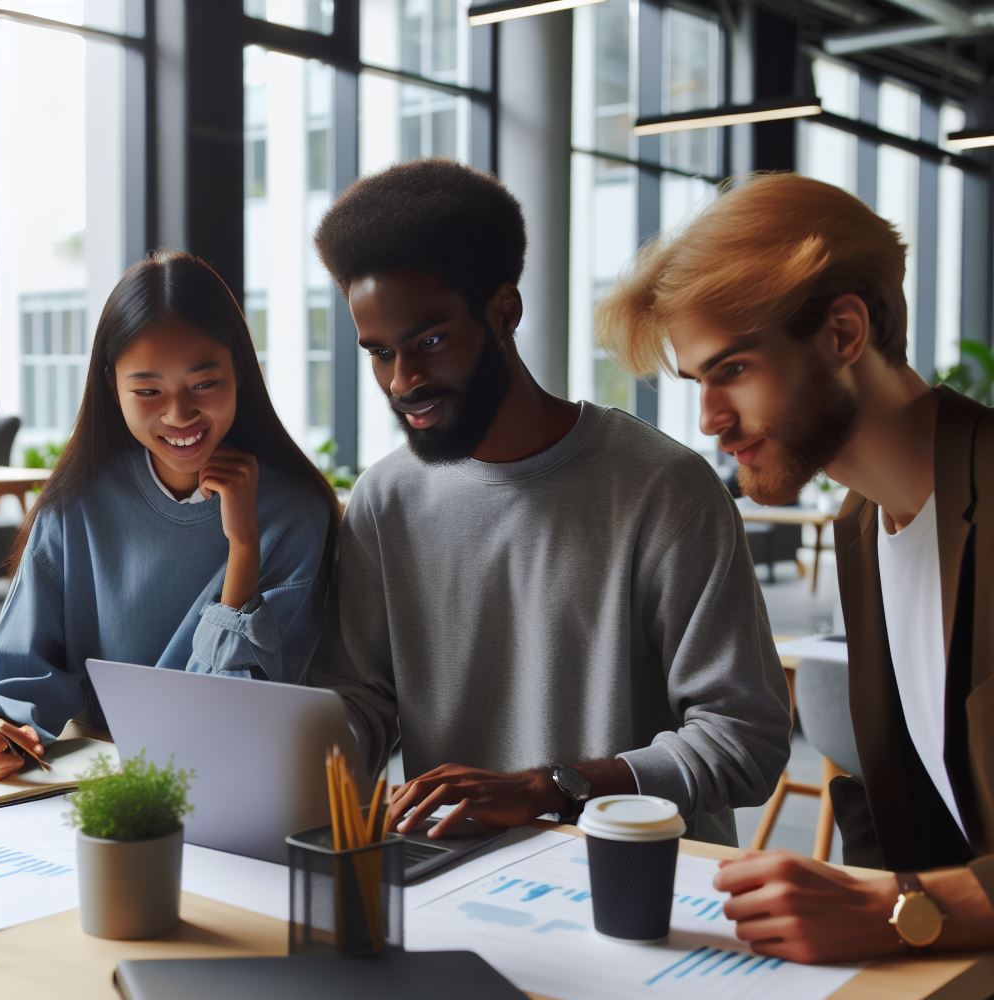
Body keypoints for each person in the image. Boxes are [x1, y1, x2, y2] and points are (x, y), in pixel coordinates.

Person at [310, 158, 790, 846]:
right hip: (455, 882)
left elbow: (746, 743)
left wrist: (551, 788)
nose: (403, 380)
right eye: (380, 353)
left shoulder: (664, 488)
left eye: (431, 341)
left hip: (648, 886)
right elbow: (360, 705)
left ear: (505, 311)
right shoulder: (386, 500)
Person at [597, 172, 994, 965]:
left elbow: (907, 895)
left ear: (845, 332)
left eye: (733, 370)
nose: (709, 420)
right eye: (697, 382)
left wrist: (901, 909)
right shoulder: (863, 525)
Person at [0, 250, 338, 782]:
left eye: (204, 383)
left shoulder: (293, 513)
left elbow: (229, 720)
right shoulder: (75, 505)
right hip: (99, 792)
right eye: (147, 391)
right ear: (110, 386)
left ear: (239, 372)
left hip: (234, 789)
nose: (178, 414)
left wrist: (243, 548)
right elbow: (16, 681)